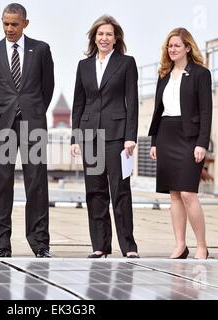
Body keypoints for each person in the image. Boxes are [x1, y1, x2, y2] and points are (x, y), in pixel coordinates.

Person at [0, 3, 54, 258]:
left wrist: (31, 111)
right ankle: (1, 244)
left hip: (33, 127)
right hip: (3, 127)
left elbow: (47, 89)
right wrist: (7, 111)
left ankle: (40, 244)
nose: (9, 28)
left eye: (14, 24)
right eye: (5, 23)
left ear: (25, 23)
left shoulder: (41, 50)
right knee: (1, 185)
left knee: (36, 185)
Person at [70, 15, 139, 259]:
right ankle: (100, 245)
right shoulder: (84, 65)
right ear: (94, 37)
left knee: (120, 190)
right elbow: (78, 104)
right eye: (100, 34)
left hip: (117, 136)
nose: (104, 38)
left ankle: (129, 246)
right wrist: (74, 138)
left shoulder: (126, 63)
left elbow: (132, 102)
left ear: (116, 37)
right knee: (95, 192)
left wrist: (131, 136)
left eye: (109, 34)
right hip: (90, 135)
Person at [148, 27, 212, 260]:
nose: (172, 49)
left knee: (188, 193)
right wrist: (154, 141)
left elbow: (206, 111)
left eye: (176, 45)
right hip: (166, 135)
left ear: (187, 47)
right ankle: (180, 245)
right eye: (169, 46)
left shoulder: (200, 74)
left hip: (190, 138)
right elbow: (158, 111)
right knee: (174, 194)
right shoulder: (163, 74)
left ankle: (202, 246)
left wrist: (202, 142)